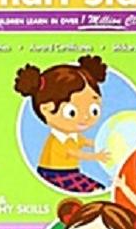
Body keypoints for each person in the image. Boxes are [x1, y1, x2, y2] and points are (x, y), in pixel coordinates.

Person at [14, 56, 111, 193]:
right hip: (54, 174)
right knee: (95, 189)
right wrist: (96, 156)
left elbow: (85, 142)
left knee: (95, 188)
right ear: (47, 109)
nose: (86, 118)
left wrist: (105, 142)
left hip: (71, 172)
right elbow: (74, 153)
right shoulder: (57, 141)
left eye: (94, 110)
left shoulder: (73, 136)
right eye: (72, 112)